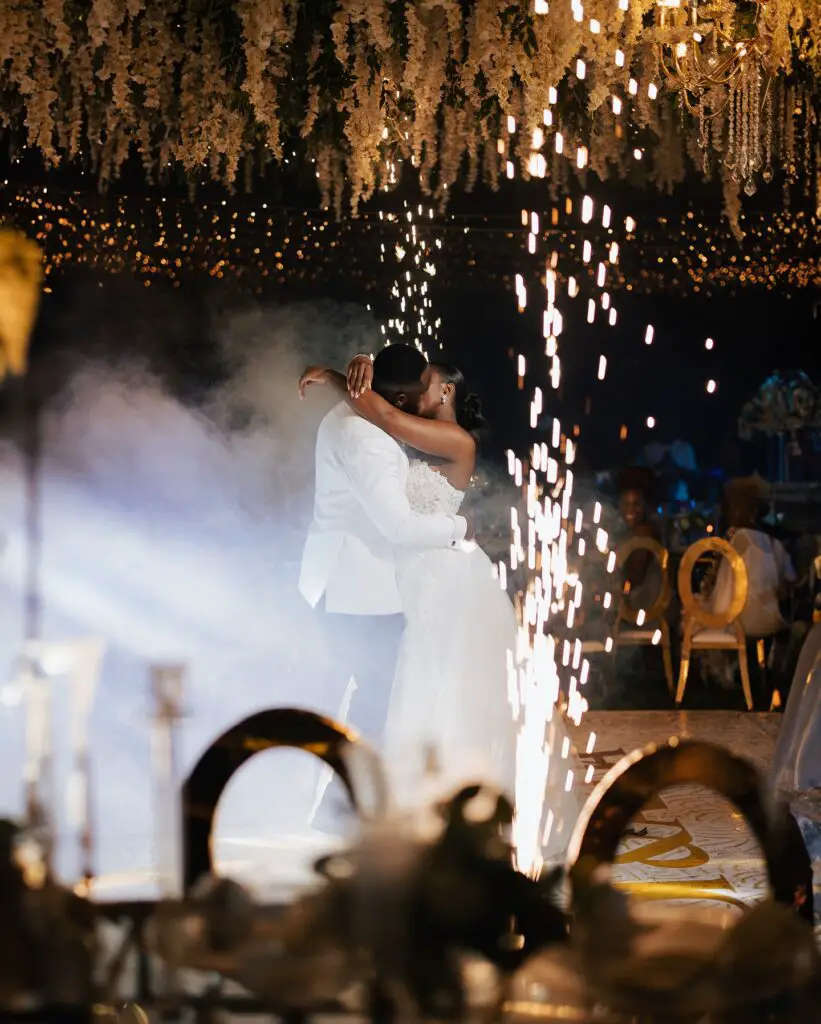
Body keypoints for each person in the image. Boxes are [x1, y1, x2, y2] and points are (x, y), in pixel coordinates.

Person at [300, 350, 583, 864]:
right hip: (412, 574)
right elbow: (383, 408)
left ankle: (412, 804)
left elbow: (383, 412)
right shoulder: (401, 424)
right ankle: (383, 806)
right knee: (405, 689)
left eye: (424, 385)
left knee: (427, 687)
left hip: (442, 572)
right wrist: (346, 373)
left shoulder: (453, 440)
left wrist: (339, 377)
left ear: (443, 392)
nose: (414, 394)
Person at [298, 343, 470, 832]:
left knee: (369, 703)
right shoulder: (367, 437)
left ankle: (346, 807)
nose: (418, 402)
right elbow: (397, 527)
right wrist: (461, 530)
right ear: (394, 396)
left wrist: (351, 365)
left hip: (352, 583)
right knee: (376, 703)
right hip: (359, 589)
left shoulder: (357, 415)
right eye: (413, 394)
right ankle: (343, 811)